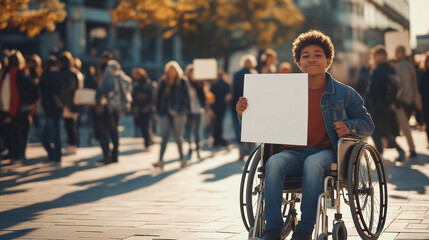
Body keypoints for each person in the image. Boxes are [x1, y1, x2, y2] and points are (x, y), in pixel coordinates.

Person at [236, 30, 374, 240]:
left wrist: (348, 126)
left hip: (326, 153)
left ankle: (304, 229)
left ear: (328, 60)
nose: (312, 59)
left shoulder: (344, 93)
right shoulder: (282, 91)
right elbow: (261, 122)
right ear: (298, 62)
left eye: (318, 55)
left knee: (313, 163)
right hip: (291, 152)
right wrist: (244, 112)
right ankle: (272, 227)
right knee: (273, 162)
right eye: (306, 55)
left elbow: (367, 124)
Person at [367, 45, 405, 162]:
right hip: (387, 105)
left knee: (374, 130)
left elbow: (373, 90)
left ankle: (384, 152)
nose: (374, 58)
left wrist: (368, 104)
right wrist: (391, 102)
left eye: (375, 55)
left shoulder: (378, 70)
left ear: (381, 55)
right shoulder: (391, 69)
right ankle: (388, 151)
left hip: (377, 105)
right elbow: (397, 87)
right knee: (383, 130)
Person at [0, 50, 39, 161]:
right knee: (15, 134)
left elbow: (14, 95)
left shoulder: (14, 74)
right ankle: (17, 154)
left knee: (17, 133)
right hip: (14, 109)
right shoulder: (12, 74)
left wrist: (13, 112)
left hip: (15, 109)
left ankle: (18, 155)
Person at [153, 61, 190, 169]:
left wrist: (183, 109)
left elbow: (186, 97)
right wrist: (157, 111)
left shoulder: (182, 81)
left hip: (178, 112)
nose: (171, 72)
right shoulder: (163, 81)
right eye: (169, 70)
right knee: (164, 136)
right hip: (164, 112)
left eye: (173, 70)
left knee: (178, 136)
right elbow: (157, 97)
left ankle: (182, 159)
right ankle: (160, 160)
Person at [95, 60, 132, 164]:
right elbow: (128, 85)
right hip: (118, 108)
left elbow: (103, 91)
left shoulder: (108, 77)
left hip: (108, 108)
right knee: (114, 132)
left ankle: (107, 155)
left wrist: (102, 98)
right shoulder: (122, 77)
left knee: (105, 131)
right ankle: (114, 156)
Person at [394, 46, 420, 158]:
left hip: (401, 101)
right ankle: (411, 148)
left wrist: (396, 98)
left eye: (396, 52)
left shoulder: (398, 67)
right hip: (410, 100)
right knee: (405, 126)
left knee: (404, 126)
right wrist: (416, 99)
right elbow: (415, 84)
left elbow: (398, 85)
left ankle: (411, 149)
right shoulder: (410, 66)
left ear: (401, 53)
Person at [232, 54, 258, 161]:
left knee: (240, 128)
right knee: (251, 128)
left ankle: (241, 152)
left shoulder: (236, 74)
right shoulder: (254, 74)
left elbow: (233, 92)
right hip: (251, 104)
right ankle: (252, 151)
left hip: (239, 104)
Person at [39, 55, 63, 163]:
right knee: (55, 134)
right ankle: (55, 156)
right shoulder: (59, 74)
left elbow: (50, 92)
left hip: (51, 109)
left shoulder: (48, 75)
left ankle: (54, 155)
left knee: (45, 136)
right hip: (56, 109)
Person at [59, 51, 82, 155]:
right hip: (73, 102)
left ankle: (72, 145)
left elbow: (69, 88)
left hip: (69, 102)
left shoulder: (69, 73)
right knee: (70, 124)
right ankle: (72, 145)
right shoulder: (75, 72)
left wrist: (62, 95)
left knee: (70, 124)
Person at [184, 64, 206, 160]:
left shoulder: (199, 83)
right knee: (188, 131)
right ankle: (189, 148)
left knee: (196, 131)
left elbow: (203, 96)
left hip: (197, 110)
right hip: (187, 110)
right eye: (191, 73)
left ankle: (197, 149)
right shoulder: (184, 83)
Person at [131, 67, 154, 151]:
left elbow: (152, 97)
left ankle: (147, 143)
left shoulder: (148, 84)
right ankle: (148, 139)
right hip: (138, 109)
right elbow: (133, 97)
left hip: (146, 109)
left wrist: (148, 107)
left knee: (146, 127)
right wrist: (134, 107)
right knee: (141, 126)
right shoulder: (136, 85)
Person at [210, 71, 231, 147]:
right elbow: (229, 96)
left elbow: (211, 96)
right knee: (220, 122)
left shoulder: (214, 85)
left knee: (216, 123)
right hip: (222, 106)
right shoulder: (226, 84)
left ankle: (216, 139)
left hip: (215, 106)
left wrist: (211, 108)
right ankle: (219, 139)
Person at [419, 54, 429, 147]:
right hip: (426, 102)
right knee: (427, 122)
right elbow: (420, 90)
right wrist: (419, 102)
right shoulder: (423, 74)